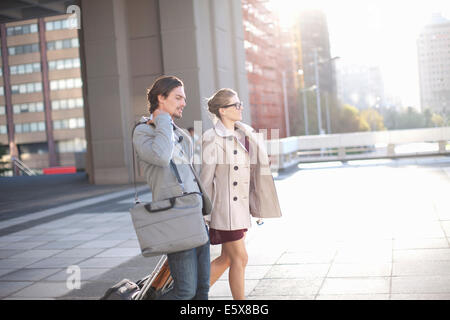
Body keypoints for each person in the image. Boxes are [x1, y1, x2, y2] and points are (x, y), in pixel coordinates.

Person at [132, 75, 211, 300]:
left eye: (184, 98)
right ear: (161, 98)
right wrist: (162, 119)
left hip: (194, 214)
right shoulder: (143, 131)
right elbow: (161, 156)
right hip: (175, 217)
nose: (183, 103)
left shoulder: (175, 132)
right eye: (178, 97)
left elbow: (189, 174)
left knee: (201, 289)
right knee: (184, 291)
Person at [200, 88, 282, 300]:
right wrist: (205, 213)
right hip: (225, 210)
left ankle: (190, 295)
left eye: (240, 103)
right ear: (222, 111)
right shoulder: (212, 138)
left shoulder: (244, 133)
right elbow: (206, 180)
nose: (240, 107)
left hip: (241, 207)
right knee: (240, 258)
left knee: (228, 259)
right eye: (235, 105)